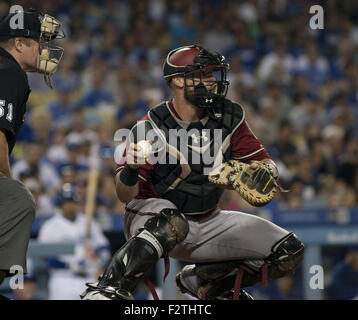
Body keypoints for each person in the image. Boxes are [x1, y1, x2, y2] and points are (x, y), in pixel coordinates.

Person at [81, 44, 304, 300]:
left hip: (208, 218)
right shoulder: (151, 126)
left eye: (213, 75)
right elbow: (124, 194)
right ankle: (108, 288)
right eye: (203, 74)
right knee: (172, 221)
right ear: (177, 80)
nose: (211, 82)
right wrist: (131, 169)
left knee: (289, 251)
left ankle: (204, 283)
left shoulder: (228, 116)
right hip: (151, 217)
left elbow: (264, 162)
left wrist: (266, 172)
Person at [0, 8, 64, 300]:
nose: (47, 49)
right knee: (14, 197)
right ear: (19, 43)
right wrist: (8, 183)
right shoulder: (7, 72)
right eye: (40, 42)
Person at [38, 184, 111, 300]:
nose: (70, 206)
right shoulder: (50, 226)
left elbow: (103, 247)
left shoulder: (88, 223)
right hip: (62, 280)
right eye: (67, 202)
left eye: (73, 202)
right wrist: (70, 265)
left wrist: (101, 264)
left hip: (89, 279)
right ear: (61, 204)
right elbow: (44, 257)